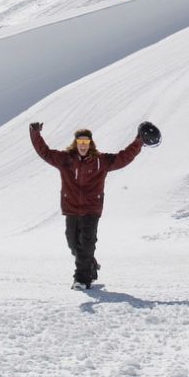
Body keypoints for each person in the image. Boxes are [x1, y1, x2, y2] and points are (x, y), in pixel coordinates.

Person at [29, 121, 143, 290]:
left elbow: (123, 157)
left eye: (86, 142)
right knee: (73, 243)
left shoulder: (101, 161)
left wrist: (139, 141)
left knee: (87, 243)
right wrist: (35, 133)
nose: (83, 145)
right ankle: (90, 264)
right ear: (76, 144)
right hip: (71, 208)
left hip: (91, 209)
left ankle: (82, 280)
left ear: (90, 144)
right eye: (80, 142)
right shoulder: (65, 160)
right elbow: (44, 152)